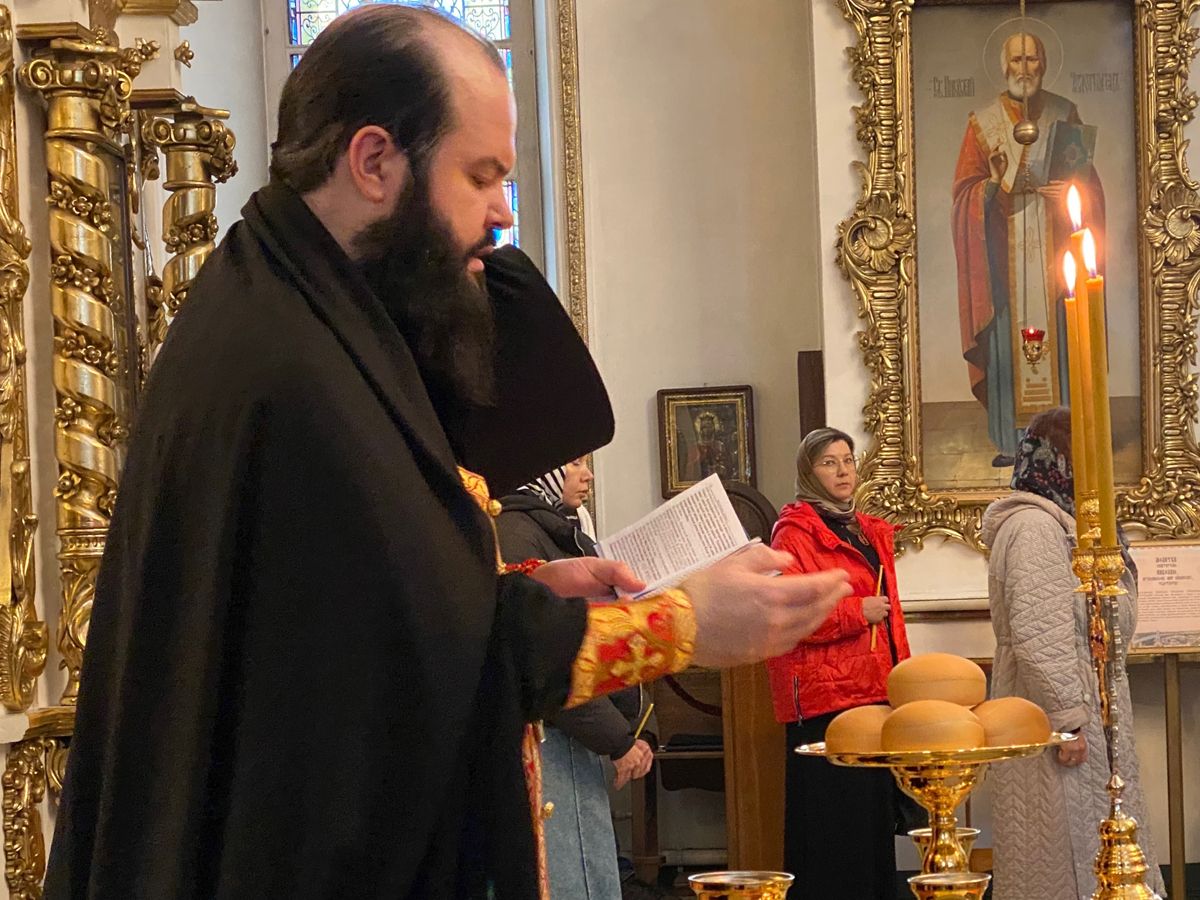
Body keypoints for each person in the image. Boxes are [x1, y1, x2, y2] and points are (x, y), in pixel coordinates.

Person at [43, 7, 852, 899]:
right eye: (481, 176)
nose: (501, 215)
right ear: (374, 161)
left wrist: (516, 582)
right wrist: (682, 625)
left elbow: (361, 607)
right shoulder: (287, 365)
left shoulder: (302, 308)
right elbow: (408, 659)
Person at [981, 407, 1164, 899]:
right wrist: (1067, 720)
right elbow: (1040, 631)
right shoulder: (1035, 527)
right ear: (1059, 460)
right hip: (1056, 718)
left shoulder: (1064, 520)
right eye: (1087, 459)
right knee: (1065, 857)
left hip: (1086, 701)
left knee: (1100, 845)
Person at [766, 427, 912, 900]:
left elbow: (891, 619)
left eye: (847, 460)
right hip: (824, 701)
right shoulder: (793, 533)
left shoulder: (866, 529)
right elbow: (788, 612)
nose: (843, 470)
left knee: (871, 828)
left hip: (873, 692)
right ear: (809, 472)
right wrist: (855, 613)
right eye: (829, 462)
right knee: (832, 830)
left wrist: (904, 682)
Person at [497, 459, 650, 900]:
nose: (587, 474)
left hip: (571, 736)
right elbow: (546, 656)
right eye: (576, 462)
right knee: (574, 878)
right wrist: (616, 739)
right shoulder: (516, 529)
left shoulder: (546, 523)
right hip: (553, 741)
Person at [952, 31, 1105, 464]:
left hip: (1055, 262)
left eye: (1032, 59)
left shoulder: (1063, 113)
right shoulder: (981, 123)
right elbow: (963, 196)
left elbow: (1088, 185)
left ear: (1044, 63)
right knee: (1010, 346)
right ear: (1004, 66)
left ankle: (1065, 442)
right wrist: (992, 185)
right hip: (1005, 268)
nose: (1024, 69)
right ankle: (1012, 441)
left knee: (1061, 341)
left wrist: (1070, 195)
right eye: (1017, 60)